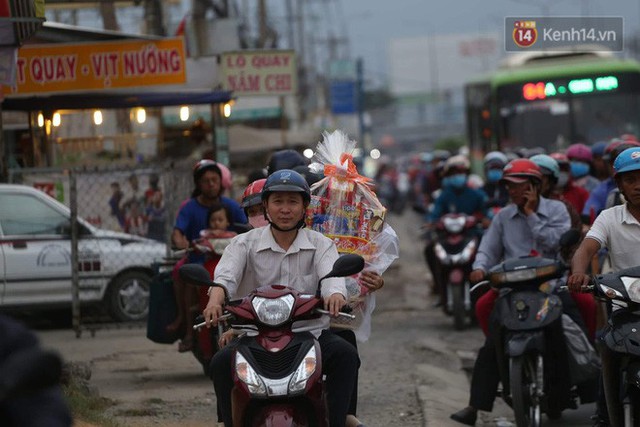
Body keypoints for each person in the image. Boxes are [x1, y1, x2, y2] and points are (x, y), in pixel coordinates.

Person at [202, 169, 359, 427]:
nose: (285, 209)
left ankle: (340, 420)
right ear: (265, 206)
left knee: (345, 354)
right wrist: (215, 299)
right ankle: (227, 422)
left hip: (309, 335)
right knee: (220, 362)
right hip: (253, 336)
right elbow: (225, 278)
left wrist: (335, 295)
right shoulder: (243, 244)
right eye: (278, 201)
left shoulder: (321, 244)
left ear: (305, 207)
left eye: (292, 202)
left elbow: (332, 277)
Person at [450, 158, 574, 426]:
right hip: (512, 287)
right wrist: (480, 267)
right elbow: (488, 248)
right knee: (491, 330)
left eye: (519, 186)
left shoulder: (557, 210)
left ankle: (577, 388)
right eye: (509, 186)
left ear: (535, 186)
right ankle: (475, 405)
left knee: (571, 319)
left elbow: (555, 242)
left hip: (550, 286)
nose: (513, 191)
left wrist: (531, 217)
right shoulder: (503, 216)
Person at [567, 146, 640, 426]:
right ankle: (603, 415)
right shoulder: (609, 218)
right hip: (625, 304)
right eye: (630, 180)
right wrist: (578, 273)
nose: (638, 186)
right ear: (619, 184)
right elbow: (586, 249)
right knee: (609, 347)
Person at [168, 160, 247, 345]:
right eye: (206, 181)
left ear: (221, 181)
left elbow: (247, 226)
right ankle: (185, 322)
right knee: (181, 273)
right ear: (198, 184)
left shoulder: (230, 205)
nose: (211, 184)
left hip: (227, 257)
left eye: (214, 180)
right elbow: (178, 231)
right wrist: (180, 241)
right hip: (198, 258)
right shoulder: (189, 206)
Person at [425, 154, 488, 303]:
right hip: (448, 236)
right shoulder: (444, 195)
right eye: (453, 173)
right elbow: (435, 213)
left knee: (486, 251)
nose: (457, 176)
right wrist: (432, 222)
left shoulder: (476, 193)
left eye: (460, 173)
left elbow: (485, 210)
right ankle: (439, 288)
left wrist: (484, 219)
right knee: (429, 250)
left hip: (471, 234)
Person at [481, 151, 509, 216]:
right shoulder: (481, 190)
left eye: (498, 168)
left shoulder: (509, 190)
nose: (495, 171)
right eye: (492, 168)